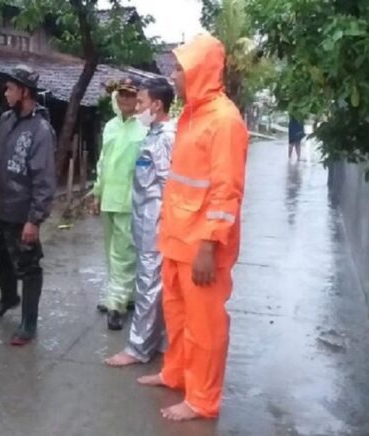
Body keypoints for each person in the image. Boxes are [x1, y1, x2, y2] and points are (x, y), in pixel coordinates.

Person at [139, 34, 249, 422]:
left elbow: (226, 191)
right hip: (176, 239)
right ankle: (176, 375)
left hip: (201, 246)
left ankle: (202, 400)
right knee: (179, 317)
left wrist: (208, 245)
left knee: (205, 327)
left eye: (179, 68)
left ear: (200, 72)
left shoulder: (224, 121)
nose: (172, 75)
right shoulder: (191, 115)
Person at [0, 65, 56, 346]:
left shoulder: (41, 130)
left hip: (22, 211)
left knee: (29, 266)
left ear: (25, 92)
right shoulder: (5, 120)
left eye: (11, 88)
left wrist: (34, 220)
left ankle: (28, 323)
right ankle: (9, 297)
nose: (6, 92)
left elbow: (45, 179)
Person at [105, 77, 175, 367]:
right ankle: (157, 340)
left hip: (157, 222)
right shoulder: (153, 133)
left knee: (148, 284)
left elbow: (169, 185)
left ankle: (138, 348)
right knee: (153, 284)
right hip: (145, 218)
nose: (138, 107)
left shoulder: (168, 137)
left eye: (142, 102)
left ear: (156, 105)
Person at [92, 77, 148, 331]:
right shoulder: (111, 127)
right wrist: (96, 192)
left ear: (138, 99)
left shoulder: (144, 130)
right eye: (122, 94)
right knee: (110, 251)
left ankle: (117, 305)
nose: (125, 99)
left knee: (123, 253)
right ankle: (120, 294)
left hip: (129, 200)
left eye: (130, 95)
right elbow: (103, 162)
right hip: (108, 199)